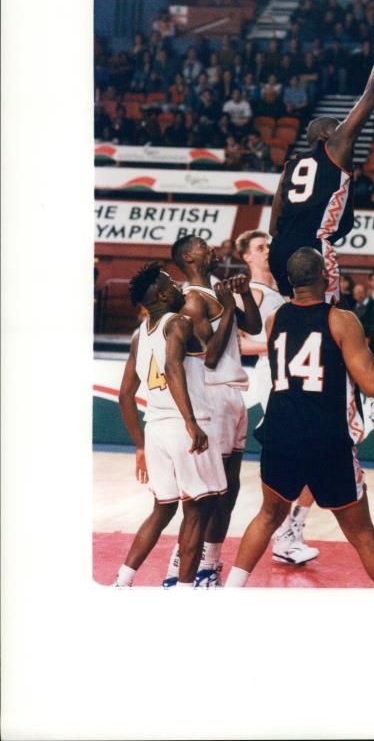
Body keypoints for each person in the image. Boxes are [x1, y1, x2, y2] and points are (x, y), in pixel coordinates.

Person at [224, 248, 374, 589]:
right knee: (362, 533)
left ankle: (232, 589)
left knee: (268, 516)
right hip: (326, 439)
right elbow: (372, 384)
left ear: (291, 281)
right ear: (326, 277)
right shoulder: (341, 320)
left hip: (280, 435)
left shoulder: (276, 318)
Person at [268, 29, 374, 302]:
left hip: (279, 250)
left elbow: (274, 224)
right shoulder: (335, 147)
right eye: (337, 127)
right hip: (311, 248)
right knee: (333, 321)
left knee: (297, 314)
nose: (343, 131)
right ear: (325, 136)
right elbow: (373, 91)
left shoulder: (290, 166)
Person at [114, 264, 228, 588]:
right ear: (163, 295)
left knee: (162, 509)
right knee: (197, 511)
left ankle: (123, 581)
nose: (178, 285)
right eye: (171, 283)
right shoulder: (179, 322)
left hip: (155, 430)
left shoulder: (139, 334)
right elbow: (173, 366)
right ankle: (183, 591)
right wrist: (191, 423)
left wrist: (139, 445)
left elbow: (125, 395)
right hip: (184, 426)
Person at [161, 236, 262, 588]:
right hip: (212, 396)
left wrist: (243, 293)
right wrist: (229, 305)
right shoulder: (191, 300)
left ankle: (211, 564)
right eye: (204, 245)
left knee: (230, 489)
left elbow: (256, 326)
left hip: (234, 394)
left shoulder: (218, 292)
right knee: (208, 495)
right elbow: (211, 356)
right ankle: (181, 567)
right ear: (189, 257)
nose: (213, 249)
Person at [234, 228, 319, 566]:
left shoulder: (281, 291)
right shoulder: (250, 292)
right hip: (272, 379)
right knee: (294, 457)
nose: (267, 250)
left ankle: (291, 532)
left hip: (292, 377)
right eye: (259, 247)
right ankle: (286, 535)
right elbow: (236, 343)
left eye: (269, 244)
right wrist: (278, 344)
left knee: (311, 456)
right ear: (247, 256)